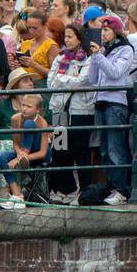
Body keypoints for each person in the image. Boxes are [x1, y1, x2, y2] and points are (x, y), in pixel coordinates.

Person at [88, 14, 135, 205]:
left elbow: (115, 73)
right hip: (100, 102)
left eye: (106, 30)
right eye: (101, 30)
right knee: (105, 149)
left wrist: (98, 56)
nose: (103, 34)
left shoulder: (125, 49)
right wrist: (94, 57)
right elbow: (92, 78)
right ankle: (112, 186)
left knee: (116, 148)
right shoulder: (104, 50)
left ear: (115, 31)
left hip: (116, 103)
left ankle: (122, 190)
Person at [47, 24, 95, 203]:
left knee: (80, 151)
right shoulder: (60, 57)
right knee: (60, 149)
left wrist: (62, 79)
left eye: (70, 37)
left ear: (79, 38)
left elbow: (82, 81)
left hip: (81, 110)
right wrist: (67, 80)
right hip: (60, 110)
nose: (66, 40)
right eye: (65, 37)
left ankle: (85, 192)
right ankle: (65, 189)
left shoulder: (88, 59)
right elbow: (50, 84)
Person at [0, 91, 51, 209]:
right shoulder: (15, 118)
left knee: (29, 124)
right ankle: (17, 195)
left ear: (38, 110)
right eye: (23, 105)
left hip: (38, 154)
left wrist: (18, 158)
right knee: (1, 156)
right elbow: (15, 143)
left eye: (29, 106)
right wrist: (20, 154)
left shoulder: (42, 123)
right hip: (23, 153)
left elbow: (43, 153)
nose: (24, 108)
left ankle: (22, 162)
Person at [16, 9, 60, 82]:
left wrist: (34, 65)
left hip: (41, 86)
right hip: (24, 84)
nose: (31, 31)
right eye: (29, 27)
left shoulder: (51, 46)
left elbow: (55, 74)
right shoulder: (25, 44)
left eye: (35, 28)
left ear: (44, 26)